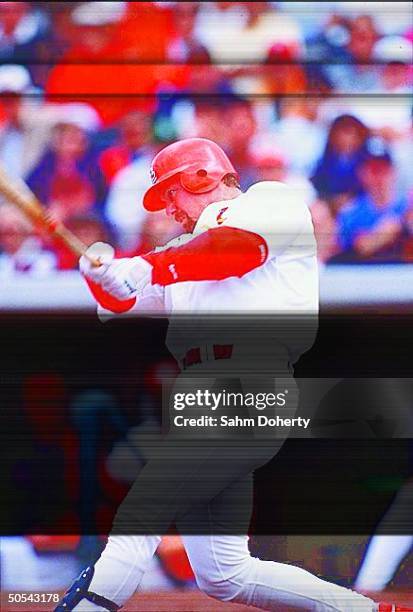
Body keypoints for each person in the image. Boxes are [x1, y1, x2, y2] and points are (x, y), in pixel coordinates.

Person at [56, 138, 405, 611]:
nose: (170, 209)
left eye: (170, 194)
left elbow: (235, 250)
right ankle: (363, 610)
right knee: (224, 575)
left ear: (199, 177)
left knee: (142, 516)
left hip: (248, 380)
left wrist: (146, 266)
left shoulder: (269, 201)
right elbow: (125, 298)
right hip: (207, 391)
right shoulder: (182, 252)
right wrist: (102, 276)